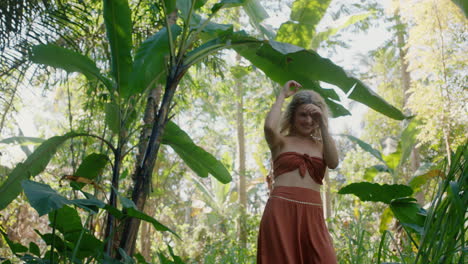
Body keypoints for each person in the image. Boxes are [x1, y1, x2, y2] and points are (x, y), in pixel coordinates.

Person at [257, 80, 339, 264]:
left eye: (313, 117)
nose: (308, 121)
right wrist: (282, 96)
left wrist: (324, 126)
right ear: (293, 116)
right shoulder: (281, 142)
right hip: (281, 211)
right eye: (303, 115)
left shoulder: (321, 147)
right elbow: (269, 127)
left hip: (313, 214)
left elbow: (333, 163)